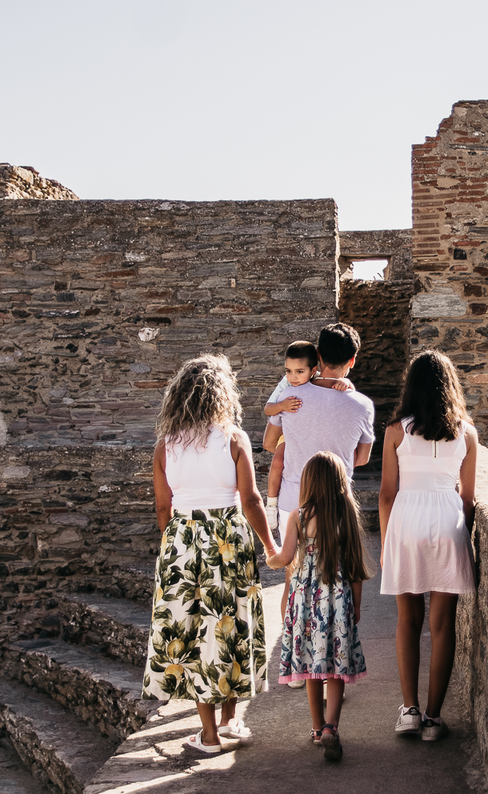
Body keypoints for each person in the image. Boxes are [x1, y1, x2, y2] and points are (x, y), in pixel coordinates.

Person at [141, 354, 278, 754]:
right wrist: (270, 545)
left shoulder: (166, 446)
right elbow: (251, 500)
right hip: (227, 538)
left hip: (183, 540)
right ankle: (230, 721)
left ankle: (210, 735)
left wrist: (176, 542)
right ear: (223, 395)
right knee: (229, 624)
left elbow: (163, 508)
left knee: (195, 632)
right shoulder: (234, 438)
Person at [263, 323, 375, 683]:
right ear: (353, 361)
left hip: (295, 500)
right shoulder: (361, 404)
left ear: (318, 358)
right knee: (337, 580)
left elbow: (268, 443)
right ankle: (332, 662)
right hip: (338, 506)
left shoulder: (293, 393)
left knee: (293, 583)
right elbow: (361, 459)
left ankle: (295, 662)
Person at [378, 350, 478, 742]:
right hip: (448, 519)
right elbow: (468, 498)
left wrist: (388, 544)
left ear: (411, 386)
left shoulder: (396, 431)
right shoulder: (467, 434)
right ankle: (434, 720)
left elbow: (386, 495)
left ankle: (410, 711)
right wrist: (458, 533)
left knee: (408, 621)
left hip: (406, 521)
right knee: (442, 625)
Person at [267, 452, 371, 761]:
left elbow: (284, 558)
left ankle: (315, 727)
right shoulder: (346, 516)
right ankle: (331, 727)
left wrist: (269, 555)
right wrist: (357, 607)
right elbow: (354, 567)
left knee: (311, 664)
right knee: (337, 667)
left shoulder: (298, 516)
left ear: (308, 483)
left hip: (306, 600)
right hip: (338, 600)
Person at [261, 340, 353, 532]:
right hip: (287, 433)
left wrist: (346, 382)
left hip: (309, 432)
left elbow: (338, 390)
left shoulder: (320, 381)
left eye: (299, 372)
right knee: (278, 461)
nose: (293, 377)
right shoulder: (285, 385)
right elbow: (268, 408)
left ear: (313, 370)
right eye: (288, 371)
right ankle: (271, 504)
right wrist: (282, 406)